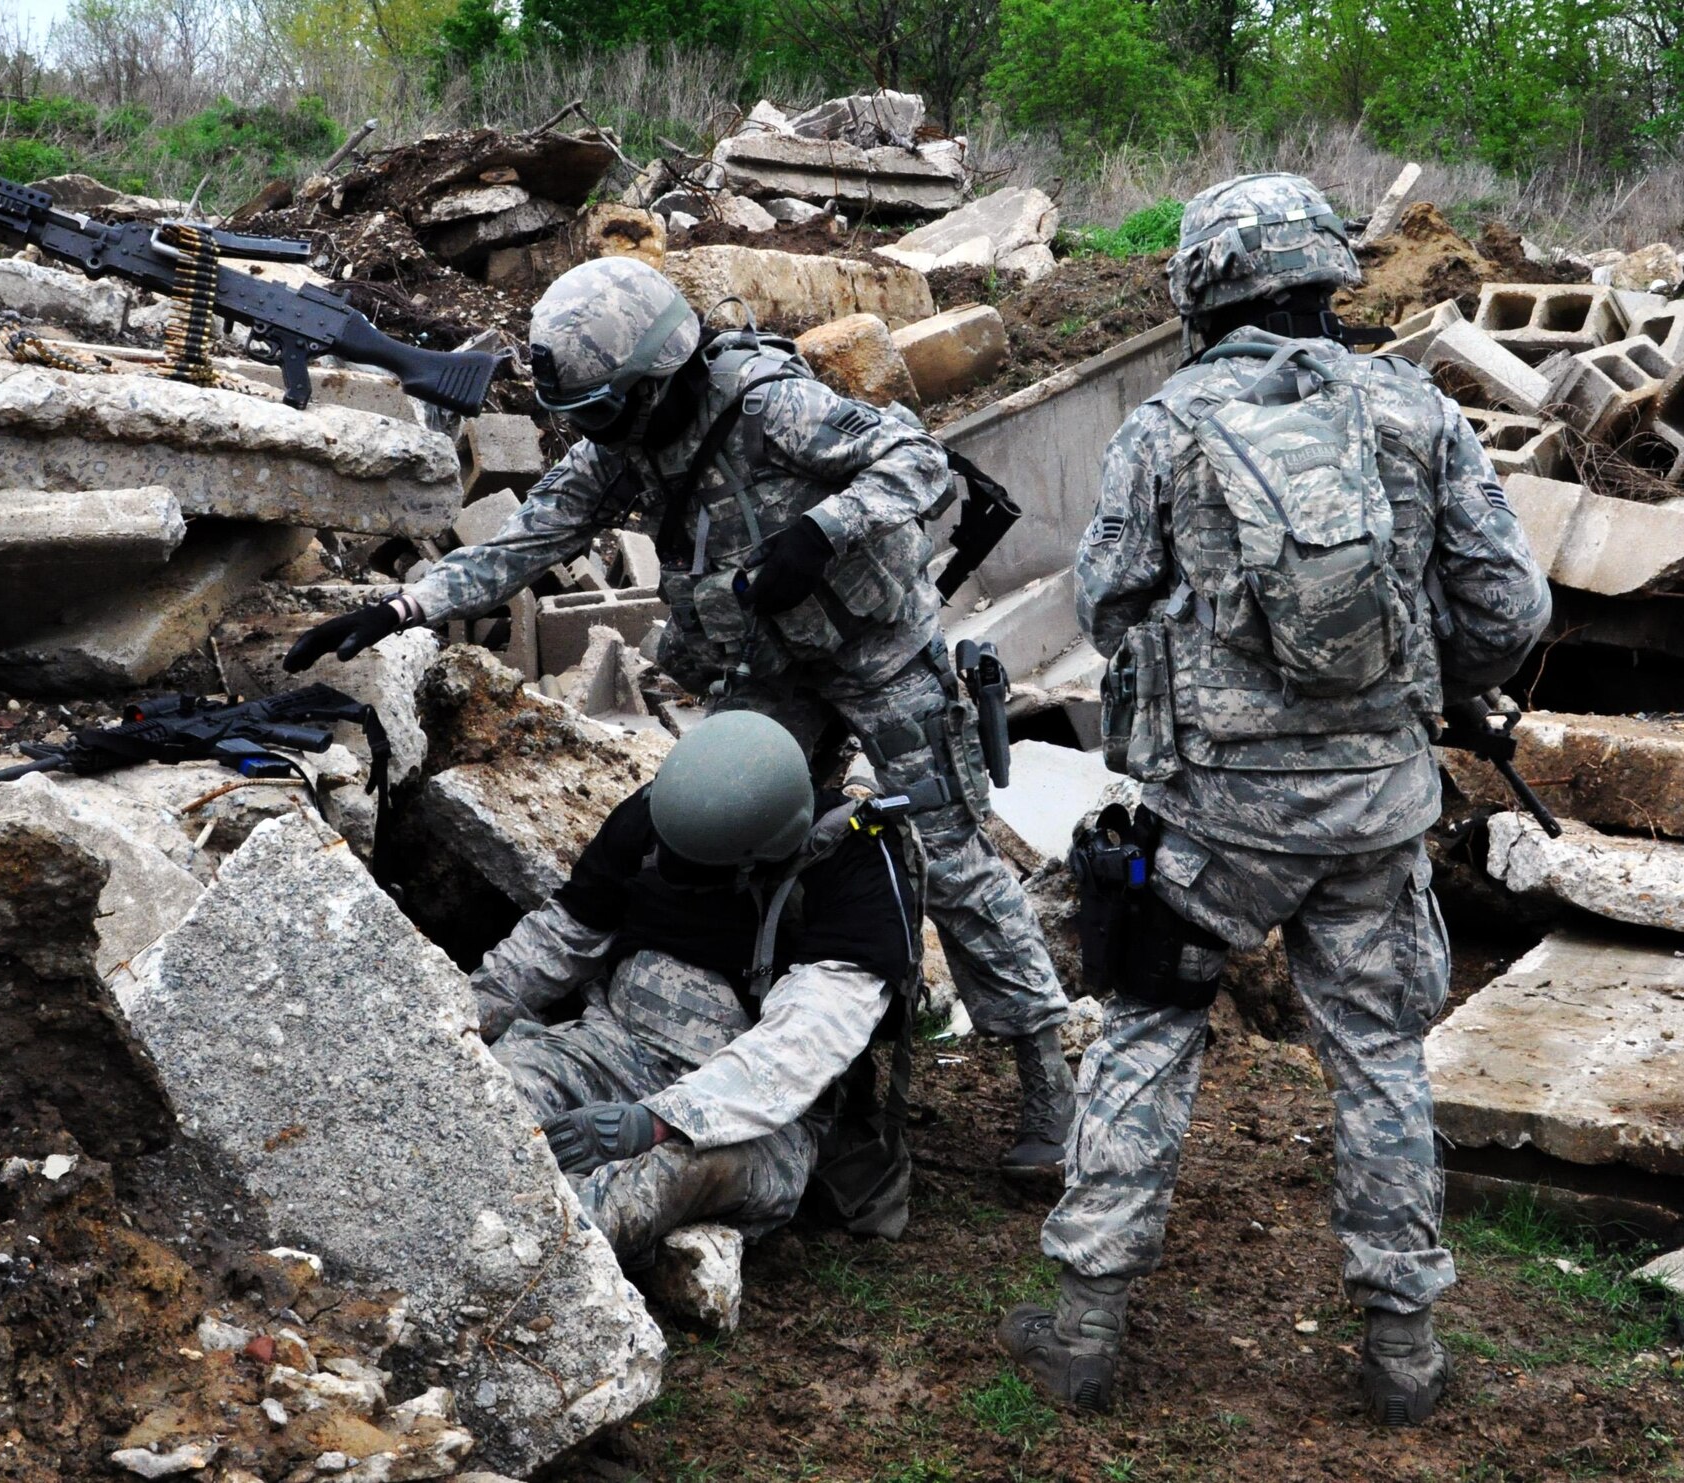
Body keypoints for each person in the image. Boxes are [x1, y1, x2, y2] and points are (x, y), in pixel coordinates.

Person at [285, 255, 1076, 1178]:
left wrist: (824, 532)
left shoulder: (770, 402)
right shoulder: (625, 449)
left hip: (876, 646)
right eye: (587, 423)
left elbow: (915, 459)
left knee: (947, 854)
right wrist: (401, 608)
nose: (601, 436)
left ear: (658, 380)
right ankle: (760, 1064)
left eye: (608, 414)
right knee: (717, 840)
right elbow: (531, 540)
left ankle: (1045, 1076)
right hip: (769, 667)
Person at [996, 173, 1551, 1426]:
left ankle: (1082, 1326)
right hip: (1374, 814)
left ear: (1200, 287)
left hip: (1212, 818)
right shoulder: (1413, 410)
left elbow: (1105, 604)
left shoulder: (1162, 425)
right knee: (1380, 1056)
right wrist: (1421, 681)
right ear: (1323, 274)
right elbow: (1510, 610)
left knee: (1148, 1026)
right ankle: (1403, 1350)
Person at [468, 710, 920, 1259]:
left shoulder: (855, 862)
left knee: (664, 1181)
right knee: (487, 1101)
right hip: (611, 1048)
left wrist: (660, 1121)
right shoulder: (668, 814)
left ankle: (533, 1261)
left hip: (755, 1112)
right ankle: (453, 1213)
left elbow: (809, 1037)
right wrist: (460, 1019)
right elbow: (563, 935)